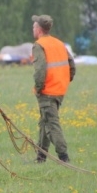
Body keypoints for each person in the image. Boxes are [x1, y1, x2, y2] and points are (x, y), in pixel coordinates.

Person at [31, 14, 76, 163]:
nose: (33, 29)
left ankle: (64, 158)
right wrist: (64, 81)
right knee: (45, 121)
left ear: (38, 29)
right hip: (59, 91)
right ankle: (40, 157)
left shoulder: (39, 45)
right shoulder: (59, 43)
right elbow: (72, 66)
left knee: (51, 124)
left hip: (47, 91)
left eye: (34, 26)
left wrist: (38, 87)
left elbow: (40, 70)